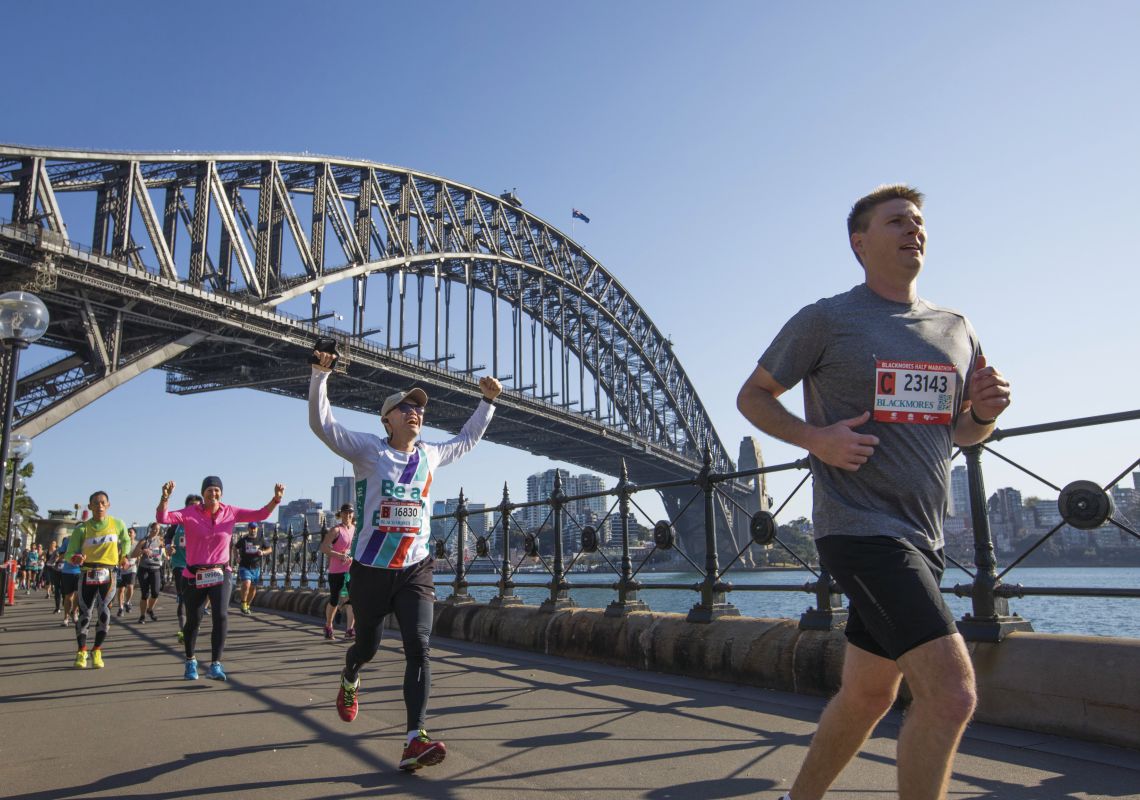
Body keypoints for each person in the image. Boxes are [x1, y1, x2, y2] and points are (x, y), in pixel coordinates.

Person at [737, 185, 1011, 800]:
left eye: (918, 222)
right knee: (952, 693)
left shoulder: (957, 328)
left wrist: (988, 412)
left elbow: (963, 431)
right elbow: (752, 396)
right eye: (897, 222)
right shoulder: (827, 319)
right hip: (859, 529)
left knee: (869, 694)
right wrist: (818, 440)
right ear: (860, 243)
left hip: (923, 534)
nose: (914, 230)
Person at [309, 350, 502, 771]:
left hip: (416, 569)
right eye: (405, 407)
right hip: (371, 569)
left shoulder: (430, 455)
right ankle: (350, 675)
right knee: (368, 646)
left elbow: (465, 441)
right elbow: (324, 426)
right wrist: (320, 376)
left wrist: (486, 403)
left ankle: (415, 737)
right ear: (387, 419)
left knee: (420, 647)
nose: (415, 412)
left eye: (418, 408)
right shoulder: (368, 451)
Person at [157, 476, 284, 681]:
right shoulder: (191, 513)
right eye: (209, 490)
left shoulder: (230, 512)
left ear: (221, 494)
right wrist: (165, 498)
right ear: (203, 493)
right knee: (194, 620)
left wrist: (275, 499)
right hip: (195, 574)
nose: (213, 494)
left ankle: (215, 664)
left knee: (221, 615)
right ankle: (190, 660)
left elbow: (260, 514)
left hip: (220, 572)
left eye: (217, 490)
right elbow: (163, 518)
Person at [63, 491, 132, 668]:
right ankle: (81, 651)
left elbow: (126, 540)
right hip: (87, 573)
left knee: (104, 613)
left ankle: (97, 649)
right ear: (90, 506)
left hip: (108, 573)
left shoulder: (117, 524)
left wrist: (124, 555)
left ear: (108, 505)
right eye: (96, 503)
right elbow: (69, 553)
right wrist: (75, 558)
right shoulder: (82, 529)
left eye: (103, 503)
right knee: (85, 613)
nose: (100, 506)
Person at [164, 495, 199, 643]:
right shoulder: (177, 522)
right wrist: (168, 547)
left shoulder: (201, 522)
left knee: (196, 600)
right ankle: (183, 630)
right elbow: (167, 538)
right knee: (183, 598)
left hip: (198, 564)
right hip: (180, 564)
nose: (193, 508)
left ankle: (191, 626)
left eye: (197, 506)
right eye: (190, 505)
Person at [319, 503, 357, 640]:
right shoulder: (336, 530)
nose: (348, 515)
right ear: (340, 514)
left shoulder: (354, 529)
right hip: (336, 570)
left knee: (353, 599)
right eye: (345, 513)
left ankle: (350, 629)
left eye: (350, 513)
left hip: (350, 569)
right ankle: (328, 626)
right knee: (334, 599)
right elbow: (323, 548)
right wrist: (340, 555)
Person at [234, 522, 271, 616]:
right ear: (248, 529)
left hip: (256, 567)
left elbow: (270, 549)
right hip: (244, 566)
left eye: (254, 528)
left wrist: (263, 552)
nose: (253, 530)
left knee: (253, 588)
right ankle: (243, 603)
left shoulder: (260, 540)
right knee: (246, 583)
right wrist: (236, 557)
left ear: (257, 529)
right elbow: (235, 547)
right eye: (251, 528)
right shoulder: (243, 540)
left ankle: (247, 605)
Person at [132, 523, 166, 623]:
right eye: (154, 529)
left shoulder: (160, 540)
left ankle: (150, 609)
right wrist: (143, 551)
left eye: (158, 529)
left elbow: (165, 552)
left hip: (156, 569)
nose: (155, 531)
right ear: (150, 529)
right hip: (144, 569)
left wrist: (168, 552)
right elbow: (133, 554)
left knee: (155, 592)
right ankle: (142, 616)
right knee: (145, 594)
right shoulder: (144, 540)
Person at [115, 544, 138, 617]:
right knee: (121, 589)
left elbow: (138, 556)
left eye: (131, 532)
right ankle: (120, 608)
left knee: (130, 587)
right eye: (128, 533)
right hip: (121, 569)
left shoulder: (136, 544)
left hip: (132, 568)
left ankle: (127, 602)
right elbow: (116, 555)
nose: (129, 534)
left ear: (134, 534)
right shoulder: (120, 544)